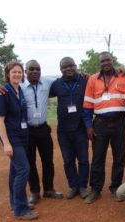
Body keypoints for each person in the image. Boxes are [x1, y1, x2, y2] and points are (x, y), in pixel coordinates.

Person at [0, 60, 64, 206]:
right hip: (27, 131)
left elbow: (64, 78)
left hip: (44, 129)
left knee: (48, 160)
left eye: (38, 69)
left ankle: (49, 189)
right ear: (26, 72)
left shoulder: (47, 82)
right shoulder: (18, 86)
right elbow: (0, 94)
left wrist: (83, 75)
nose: (35, 72)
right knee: (29, 162)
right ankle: (34, 192)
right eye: (31, 69)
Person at [83, 51, 125, 204]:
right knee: (97, 157)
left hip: (119, 122)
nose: (105, 63)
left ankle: (115, 187)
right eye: (102, 61)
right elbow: (88, 105)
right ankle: (95, 189)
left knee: (119, 157)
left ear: (112, 60)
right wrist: (89, 126)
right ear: (100, 63)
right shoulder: (92, 79)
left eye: (108, 60)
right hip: (100, 123)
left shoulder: (124, 77)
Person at [0, 61, 38, 220]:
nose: (17, 75)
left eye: (19, 72)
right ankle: (21, 209)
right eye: (14, 72)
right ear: (8, 74)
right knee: (23, 170)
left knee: (15, 170)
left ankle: (15, 202)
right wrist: (6, 143)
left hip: (23, 134)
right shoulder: (3, 92)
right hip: (12, 137)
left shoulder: (19, 90)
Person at [49, 57, 89, 199]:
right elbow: (40, 90)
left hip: (81, 128)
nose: (68, 69)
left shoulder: (85, 81)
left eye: (70, 65)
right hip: (63, 130)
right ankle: (73, 186)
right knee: (68, 160)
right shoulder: (56, 84)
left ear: (75, 66)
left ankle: (83, 186)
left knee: (83, 159)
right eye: (64, 67)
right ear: (60, 70)